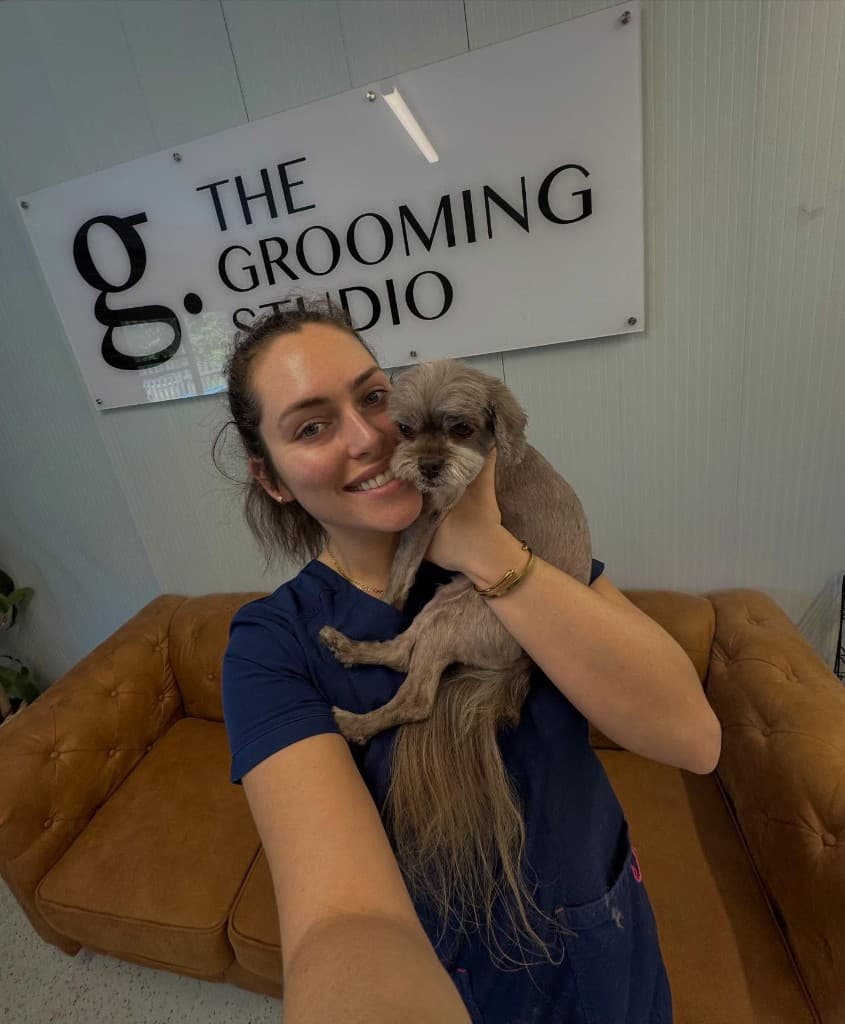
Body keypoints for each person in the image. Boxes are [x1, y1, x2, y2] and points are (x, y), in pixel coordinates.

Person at [217, 300, 722, 1024]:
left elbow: (693, 740)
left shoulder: (529, 549)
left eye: (373, 398)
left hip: (600, 938)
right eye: (312, 426)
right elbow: (340, 920)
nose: (367, 437)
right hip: (450, 976)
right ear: (272, 479)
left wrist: (483, 551)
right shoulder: (271, 644)